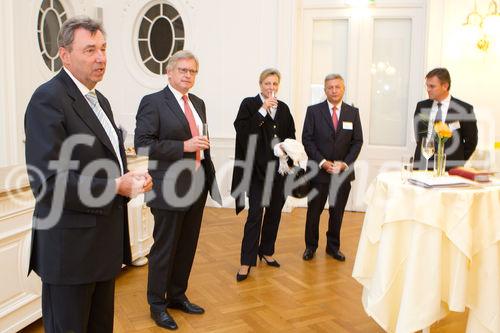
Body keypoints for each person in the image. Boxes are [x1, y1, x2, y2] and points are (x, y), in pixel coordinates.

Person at [24, 16, 152, 333]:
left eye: (104, 49)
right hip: (69, 254)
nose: (101, 58)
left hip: (102, 249)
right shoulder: (48, 99)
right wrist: (114, 186)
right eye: (90, 49)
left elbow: (105, 164)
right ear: (65, 54)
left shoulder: (100, 101)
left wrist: (129, 180)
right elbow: (48, 183)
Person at [134, 50, 222, 330]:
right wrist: (184, 146)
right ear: (169, 73)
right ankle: (156, 305)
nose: (188, 75)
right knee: (165, 249)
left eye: (193, 71)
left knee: (186, 247)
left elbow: (201, 140)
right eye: (182, 70)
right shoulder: (153, 102)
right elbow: (143, 145)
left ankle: (177, 296)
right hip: (167, 188)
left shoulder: (198, 103)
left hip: (195, 185)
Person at [231, 68, 296, 282]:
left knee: (275, 212)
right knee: (255, 215)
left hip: (280, 171)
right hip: (258, 173)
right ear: (260, 85)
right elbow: (243, 133)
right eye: (267, 83)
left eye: (275, 84)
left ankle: (266, 251)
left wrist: (288, 150)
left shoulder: (284, 108)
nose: (271, 88)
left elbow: (291, 136)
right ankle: (246, 261)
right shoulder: (249, 104)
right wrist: (261, 110)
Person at [301, 73, 363, 262]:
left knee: (337, 213)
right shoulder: (313, 111)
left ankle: (333, 247)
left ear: (343, 89)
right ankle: (310, 247)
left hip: (342, 173)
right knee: (313, 213)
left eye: (338, 87)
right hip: (318, 172)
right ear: (325, 89)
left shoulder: (353, 113)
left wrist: (345, 163)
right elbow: (307, 139)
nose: (334, 90)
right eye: (330, 87)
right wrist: (322, 162)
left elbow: (357, 141)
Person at [413, 67, 478, 170]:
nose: (428, 89)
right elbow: (419, 138)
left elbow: (471, 142)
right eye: (427, 85)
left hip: (450, 168)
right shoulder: (421, 107)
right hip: (422, 166)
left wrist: (457, 161)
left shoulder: (464, 110)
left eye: (432, 86)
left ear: (445, 86)